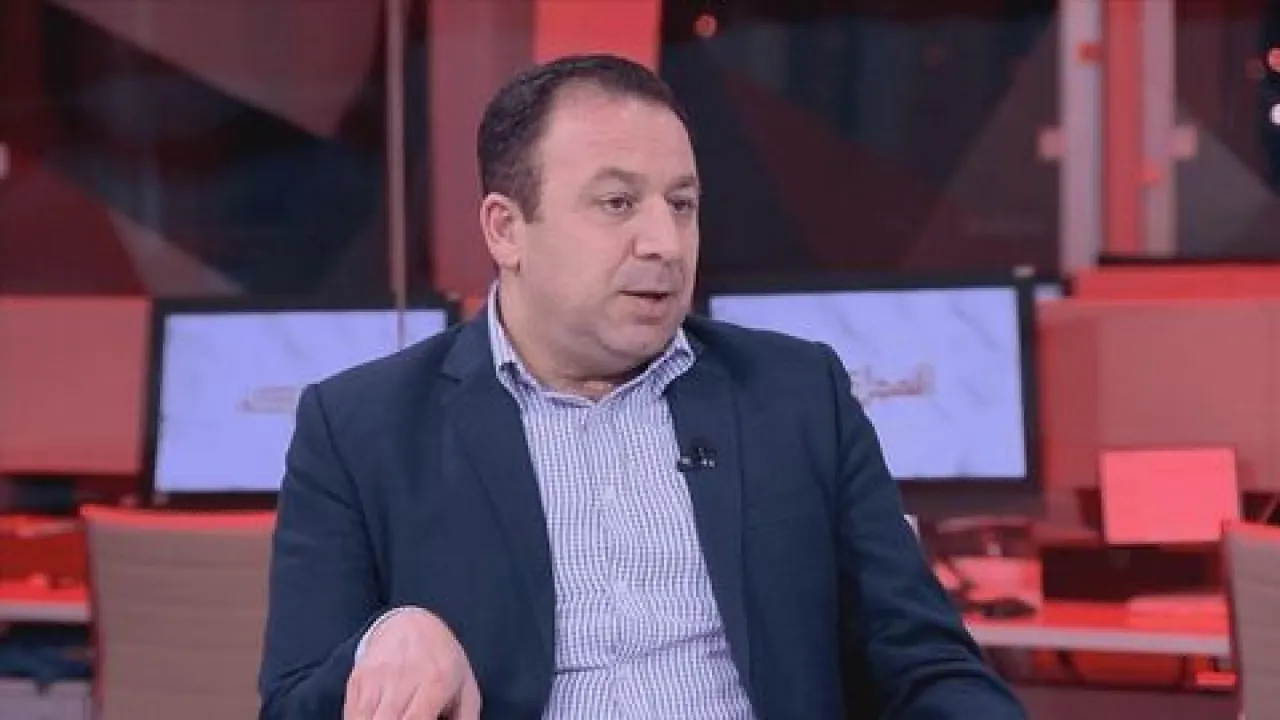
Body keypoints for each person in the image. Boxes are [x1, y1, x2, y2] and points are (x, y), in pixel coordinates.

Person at [258, 53, 1027, 720]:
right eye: (618, 203)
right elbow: (293, 705)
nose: (664, 242)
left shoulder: (797, 395)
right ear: (506, 229)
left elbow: (925, 663)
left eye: (681, 204)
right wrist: (382, 643)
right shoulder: (360, 429)